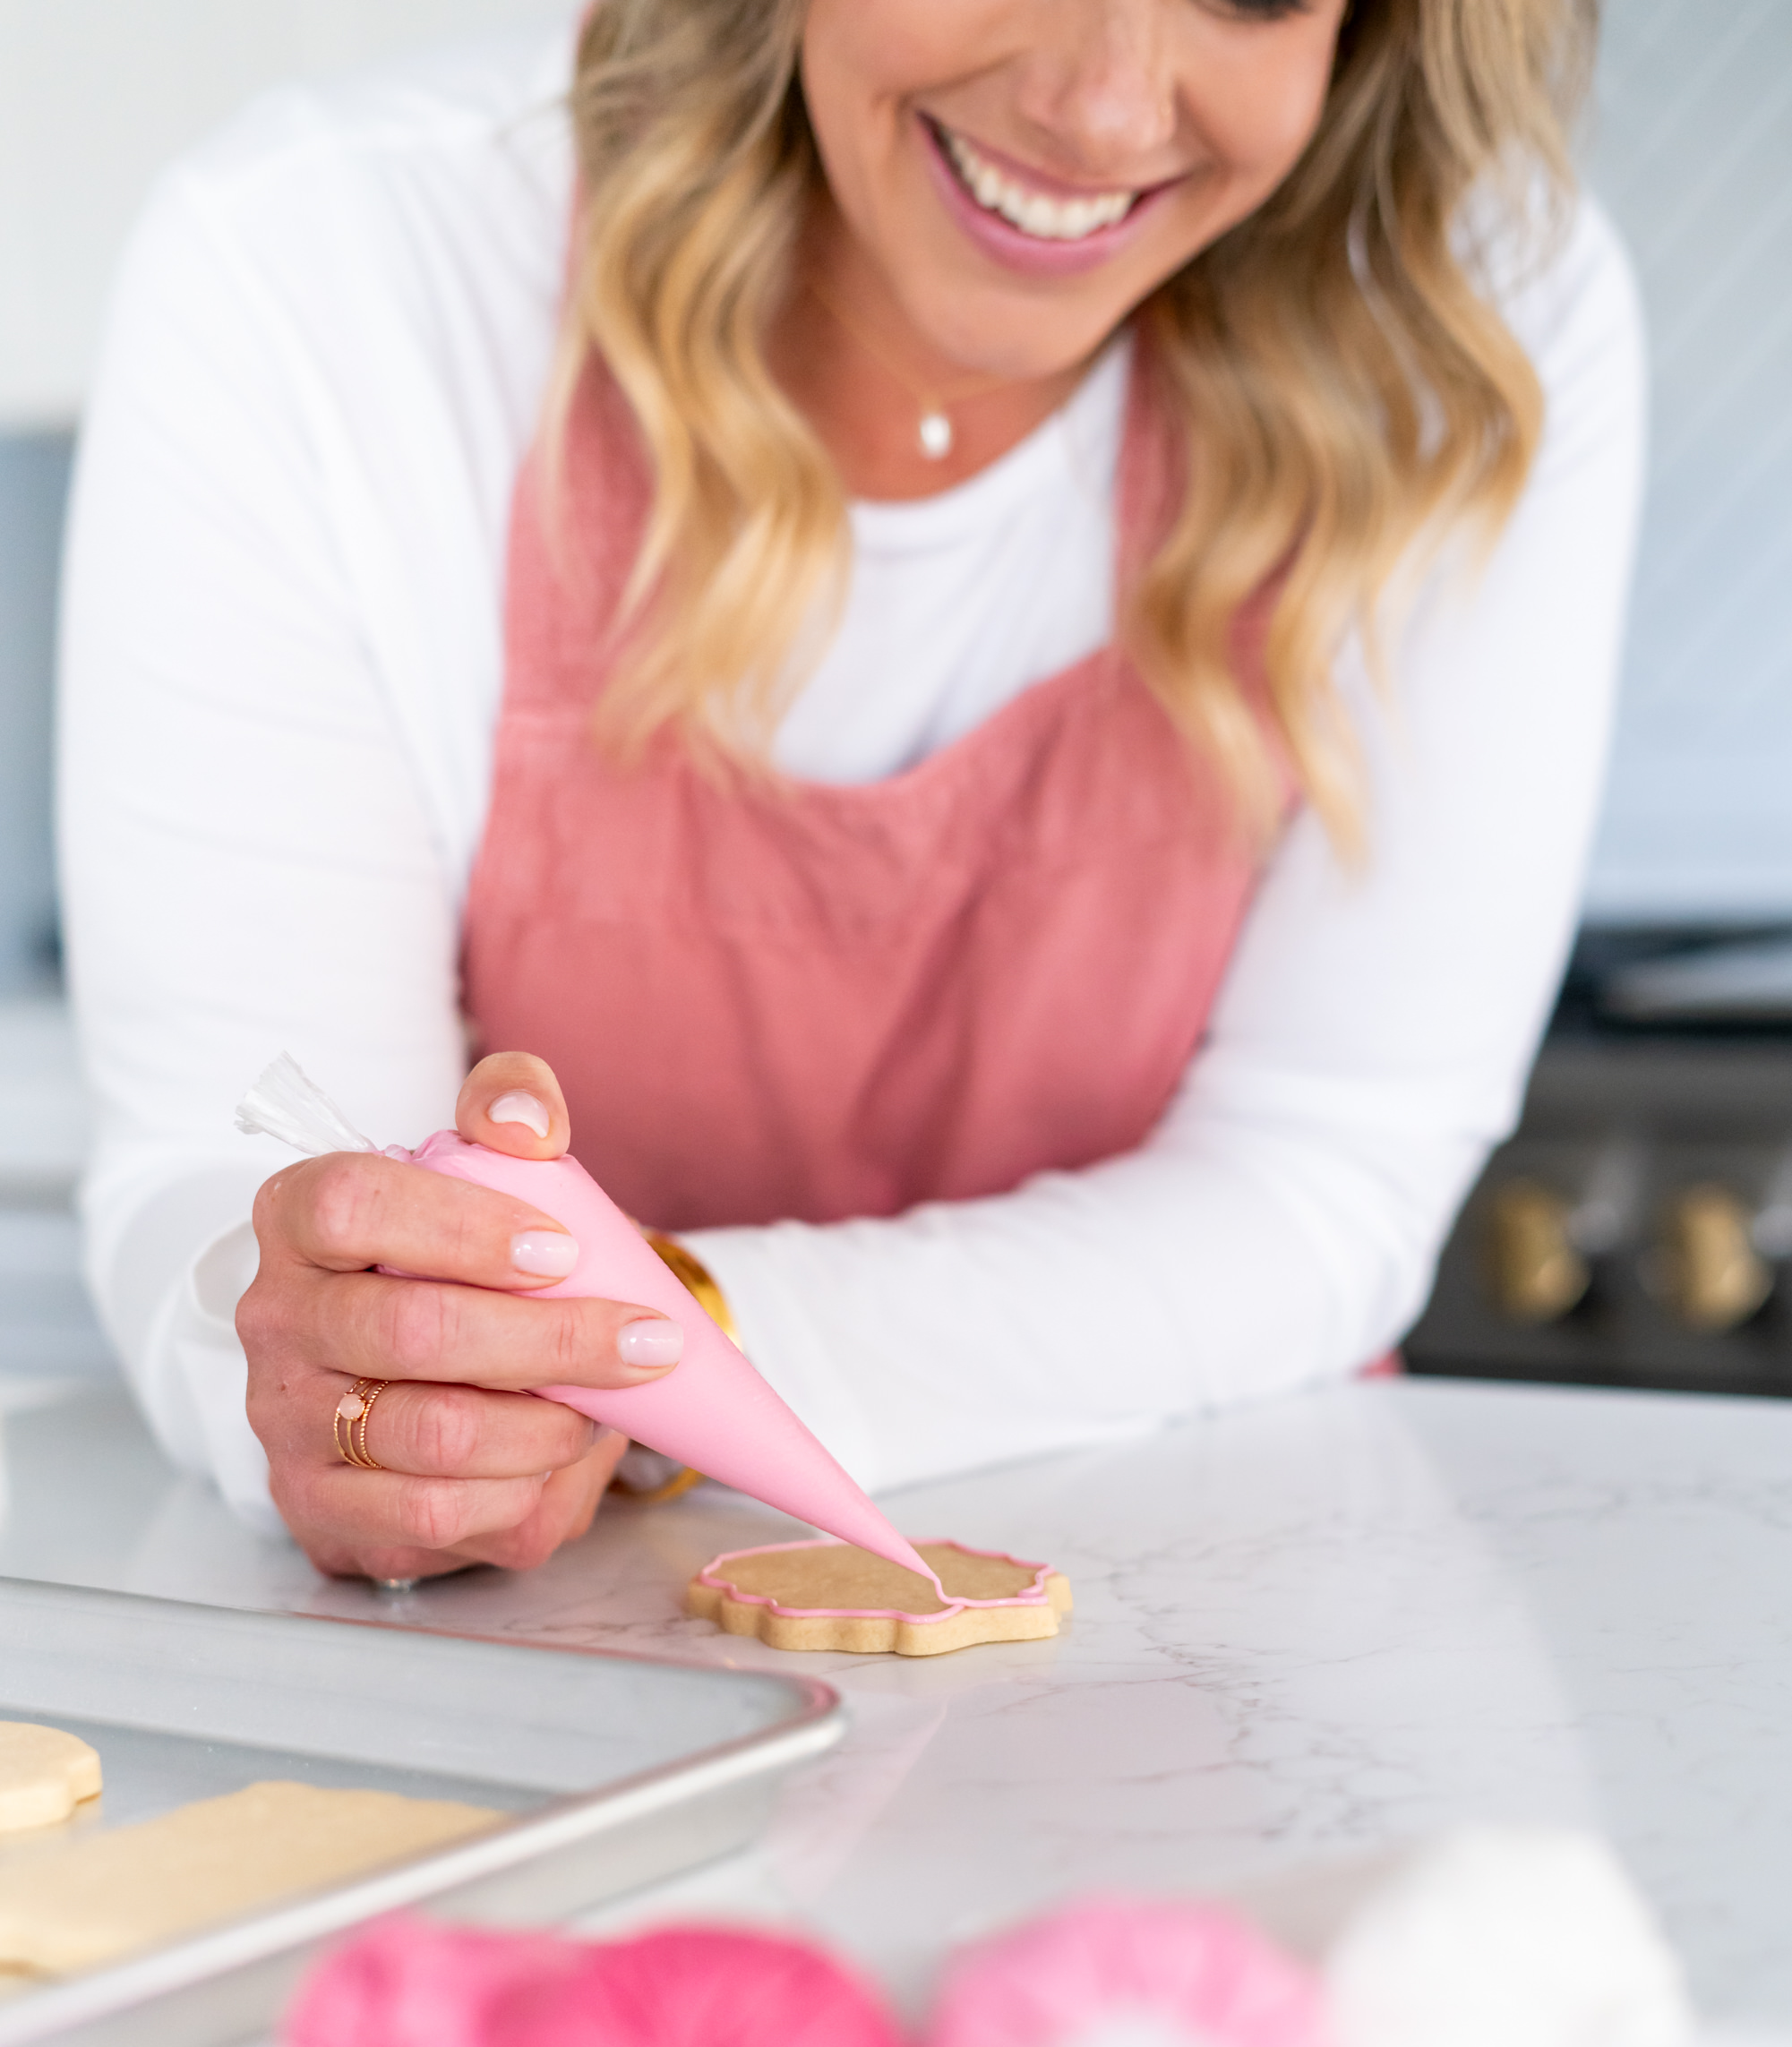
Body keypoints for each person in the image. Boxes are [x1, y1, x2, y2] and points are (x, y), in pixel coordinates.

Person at [60, 0, 1642, 1585]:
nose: (1102, 109)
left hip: (1232, 1634)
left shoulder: (1469, 324)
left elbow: (1321, 1183)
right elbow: (242, 1165)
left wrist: (662, 1334)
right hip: (529, 1649)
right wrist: (353, 1381)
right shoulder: (329, 273)